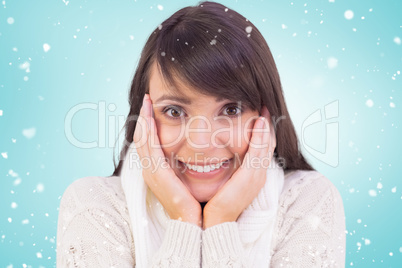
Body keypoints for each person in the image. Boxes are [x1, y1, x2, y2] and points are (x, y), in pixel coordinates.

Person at [56, 1, 346, 267]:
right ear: (143, 118)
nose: (202, 142)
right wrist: (184, 220)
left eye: (231, 110)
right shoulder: (94, 206)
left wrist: (220, 221)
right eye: (174, 112)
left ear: (264, 116)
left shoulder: (308, 201)